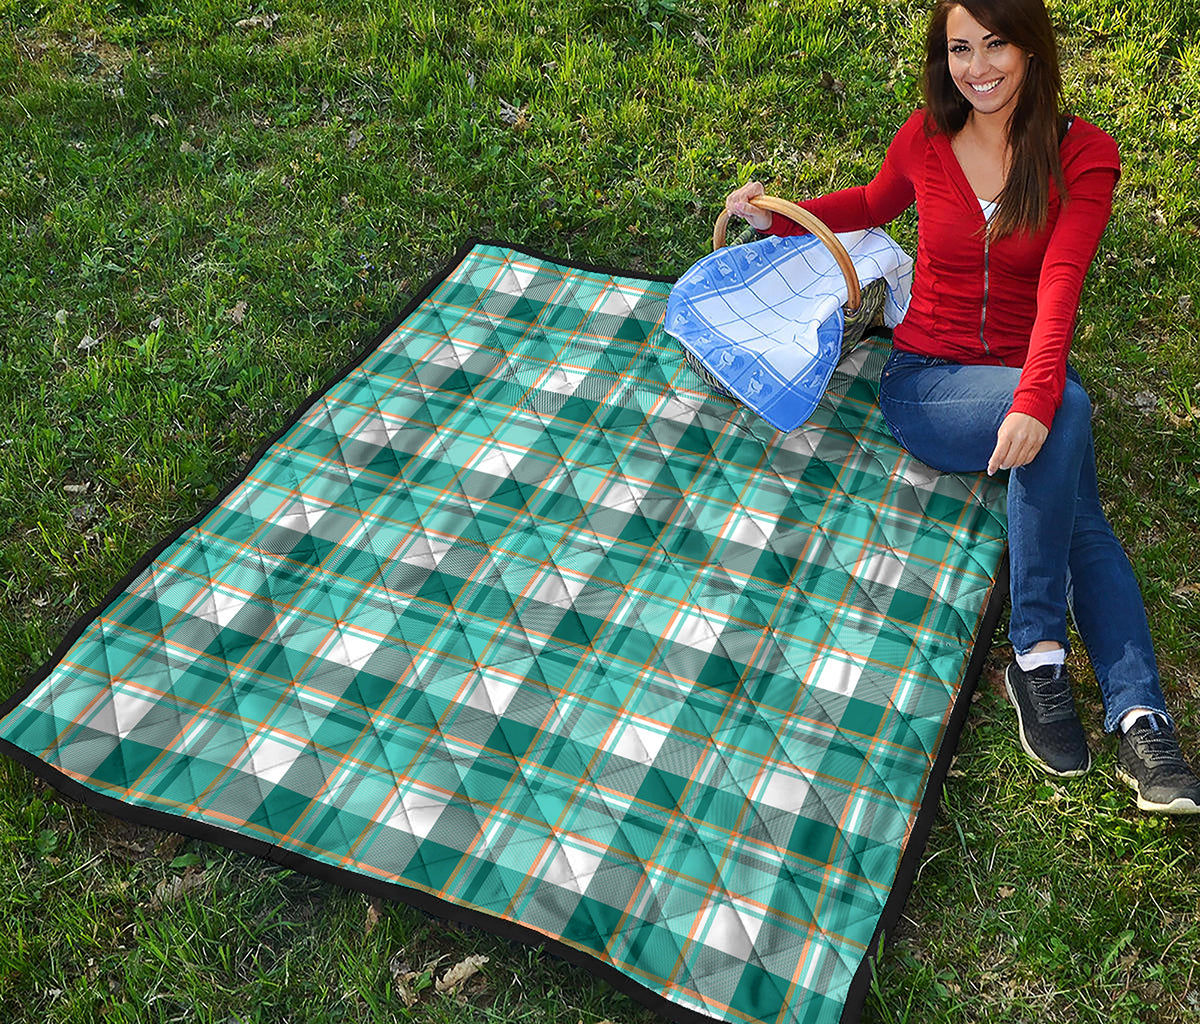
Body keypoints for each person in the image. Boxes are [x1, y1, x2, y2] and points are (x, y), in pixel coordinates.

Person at [725, 0, 1200, 814]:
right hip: (928, 383)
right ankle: (1046, 656)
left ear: (1031, 48)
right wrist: (779, 221)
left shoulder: (1083, 156)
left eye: (996, 44)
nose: (977, 67)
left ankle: (1134, 713)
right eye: (959, 48)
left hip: (1020, 374)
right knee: (1069, 419)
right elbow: (872, 204)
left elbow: (1061, 284)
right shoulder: (926, 137)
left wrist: (1036, 396)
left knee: (1074, 478)